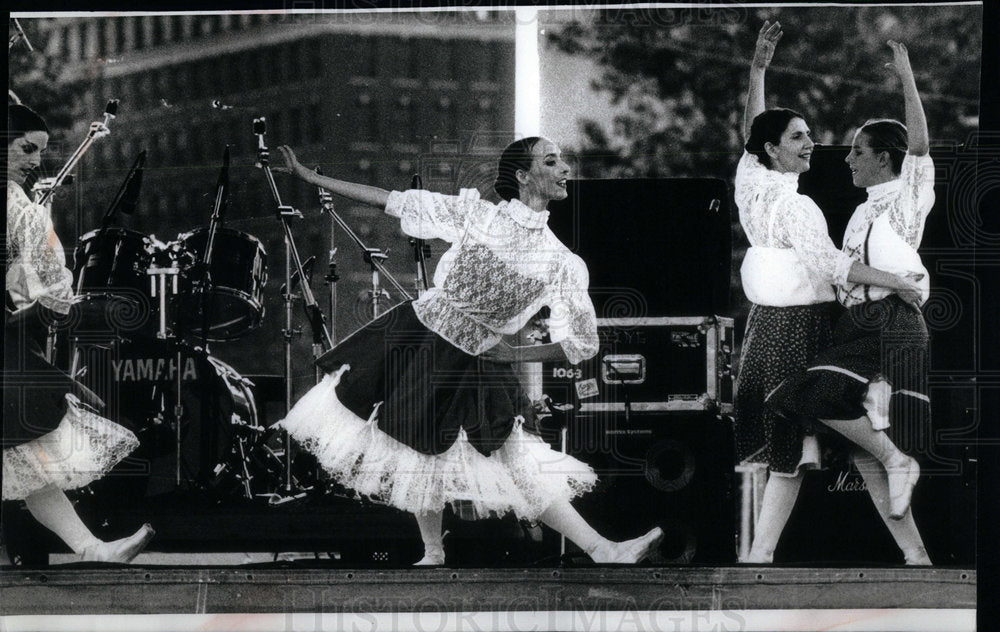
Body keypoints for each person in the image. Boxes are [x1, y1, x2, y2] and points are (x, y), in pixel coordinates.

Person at [274, 137, 663, 565]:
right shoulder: (479, 215)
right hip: (419, 337)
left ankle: (602, 549)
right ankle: (434, 552)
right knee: (418, 447)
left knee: (515, 462)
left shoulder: (561, 262)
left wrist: (515, 356)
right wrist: (313, 177)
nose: (565, 169)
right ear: (523, 174)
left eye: (564, 162)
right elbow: (398, 202)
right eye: (552, 162)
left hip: (477, 359)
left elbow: (582, 344)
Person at [734, 23, 924, 564]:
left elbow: (753, 132)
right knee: (821, 443)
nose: (811, 142)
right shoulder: (797, 206)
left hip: (771, 328)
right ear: (774, 150)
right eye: (798, 137)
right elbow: (836, 267)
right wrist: (898, 282)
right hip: (802, 327)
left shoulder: (750, 181)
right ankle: (766, 553)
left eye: (808, 134)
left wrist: (758, 71)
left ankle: (763, 554)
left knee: (804, 446)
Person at [4, 104, 155, 563]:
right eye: (26, 148)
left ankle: (91, 548)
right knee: (25, 449)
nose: (36, 160)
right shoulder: (16, 204)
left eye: (41, 152)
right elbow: (51, 276)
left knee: (25, 455)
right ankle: (91, 549)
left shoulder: (17, 201)